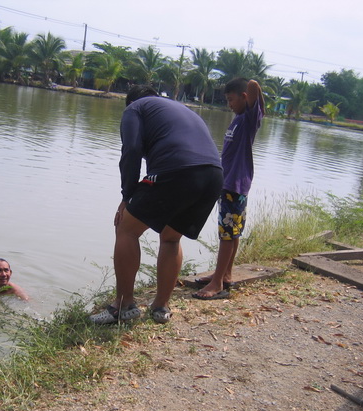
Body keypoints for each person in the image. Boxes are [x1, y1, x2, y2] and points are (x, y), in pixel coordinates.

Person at [90, 85, 223, 325]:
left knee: (126, 229)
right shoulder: (180, 108)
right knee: (171, 237)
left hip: (177, 170)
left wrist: (126, 196)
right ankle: (161, 306)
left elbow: (131, 150)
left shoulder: (135, 108)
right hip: (213, 176)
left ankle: (123, 305)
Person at [193, 78, 265, 300]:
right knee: (232, 233)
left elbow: (253, 88)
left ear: (244, 98)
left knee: (226, 234)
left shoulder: (250, 119)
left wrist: (249, 85)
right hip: (229, 183)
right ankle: (225, 274)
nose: (229, 104)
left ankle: (217, 284)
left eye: (231, 99)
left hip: (235, 184)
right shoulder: (238, 119)